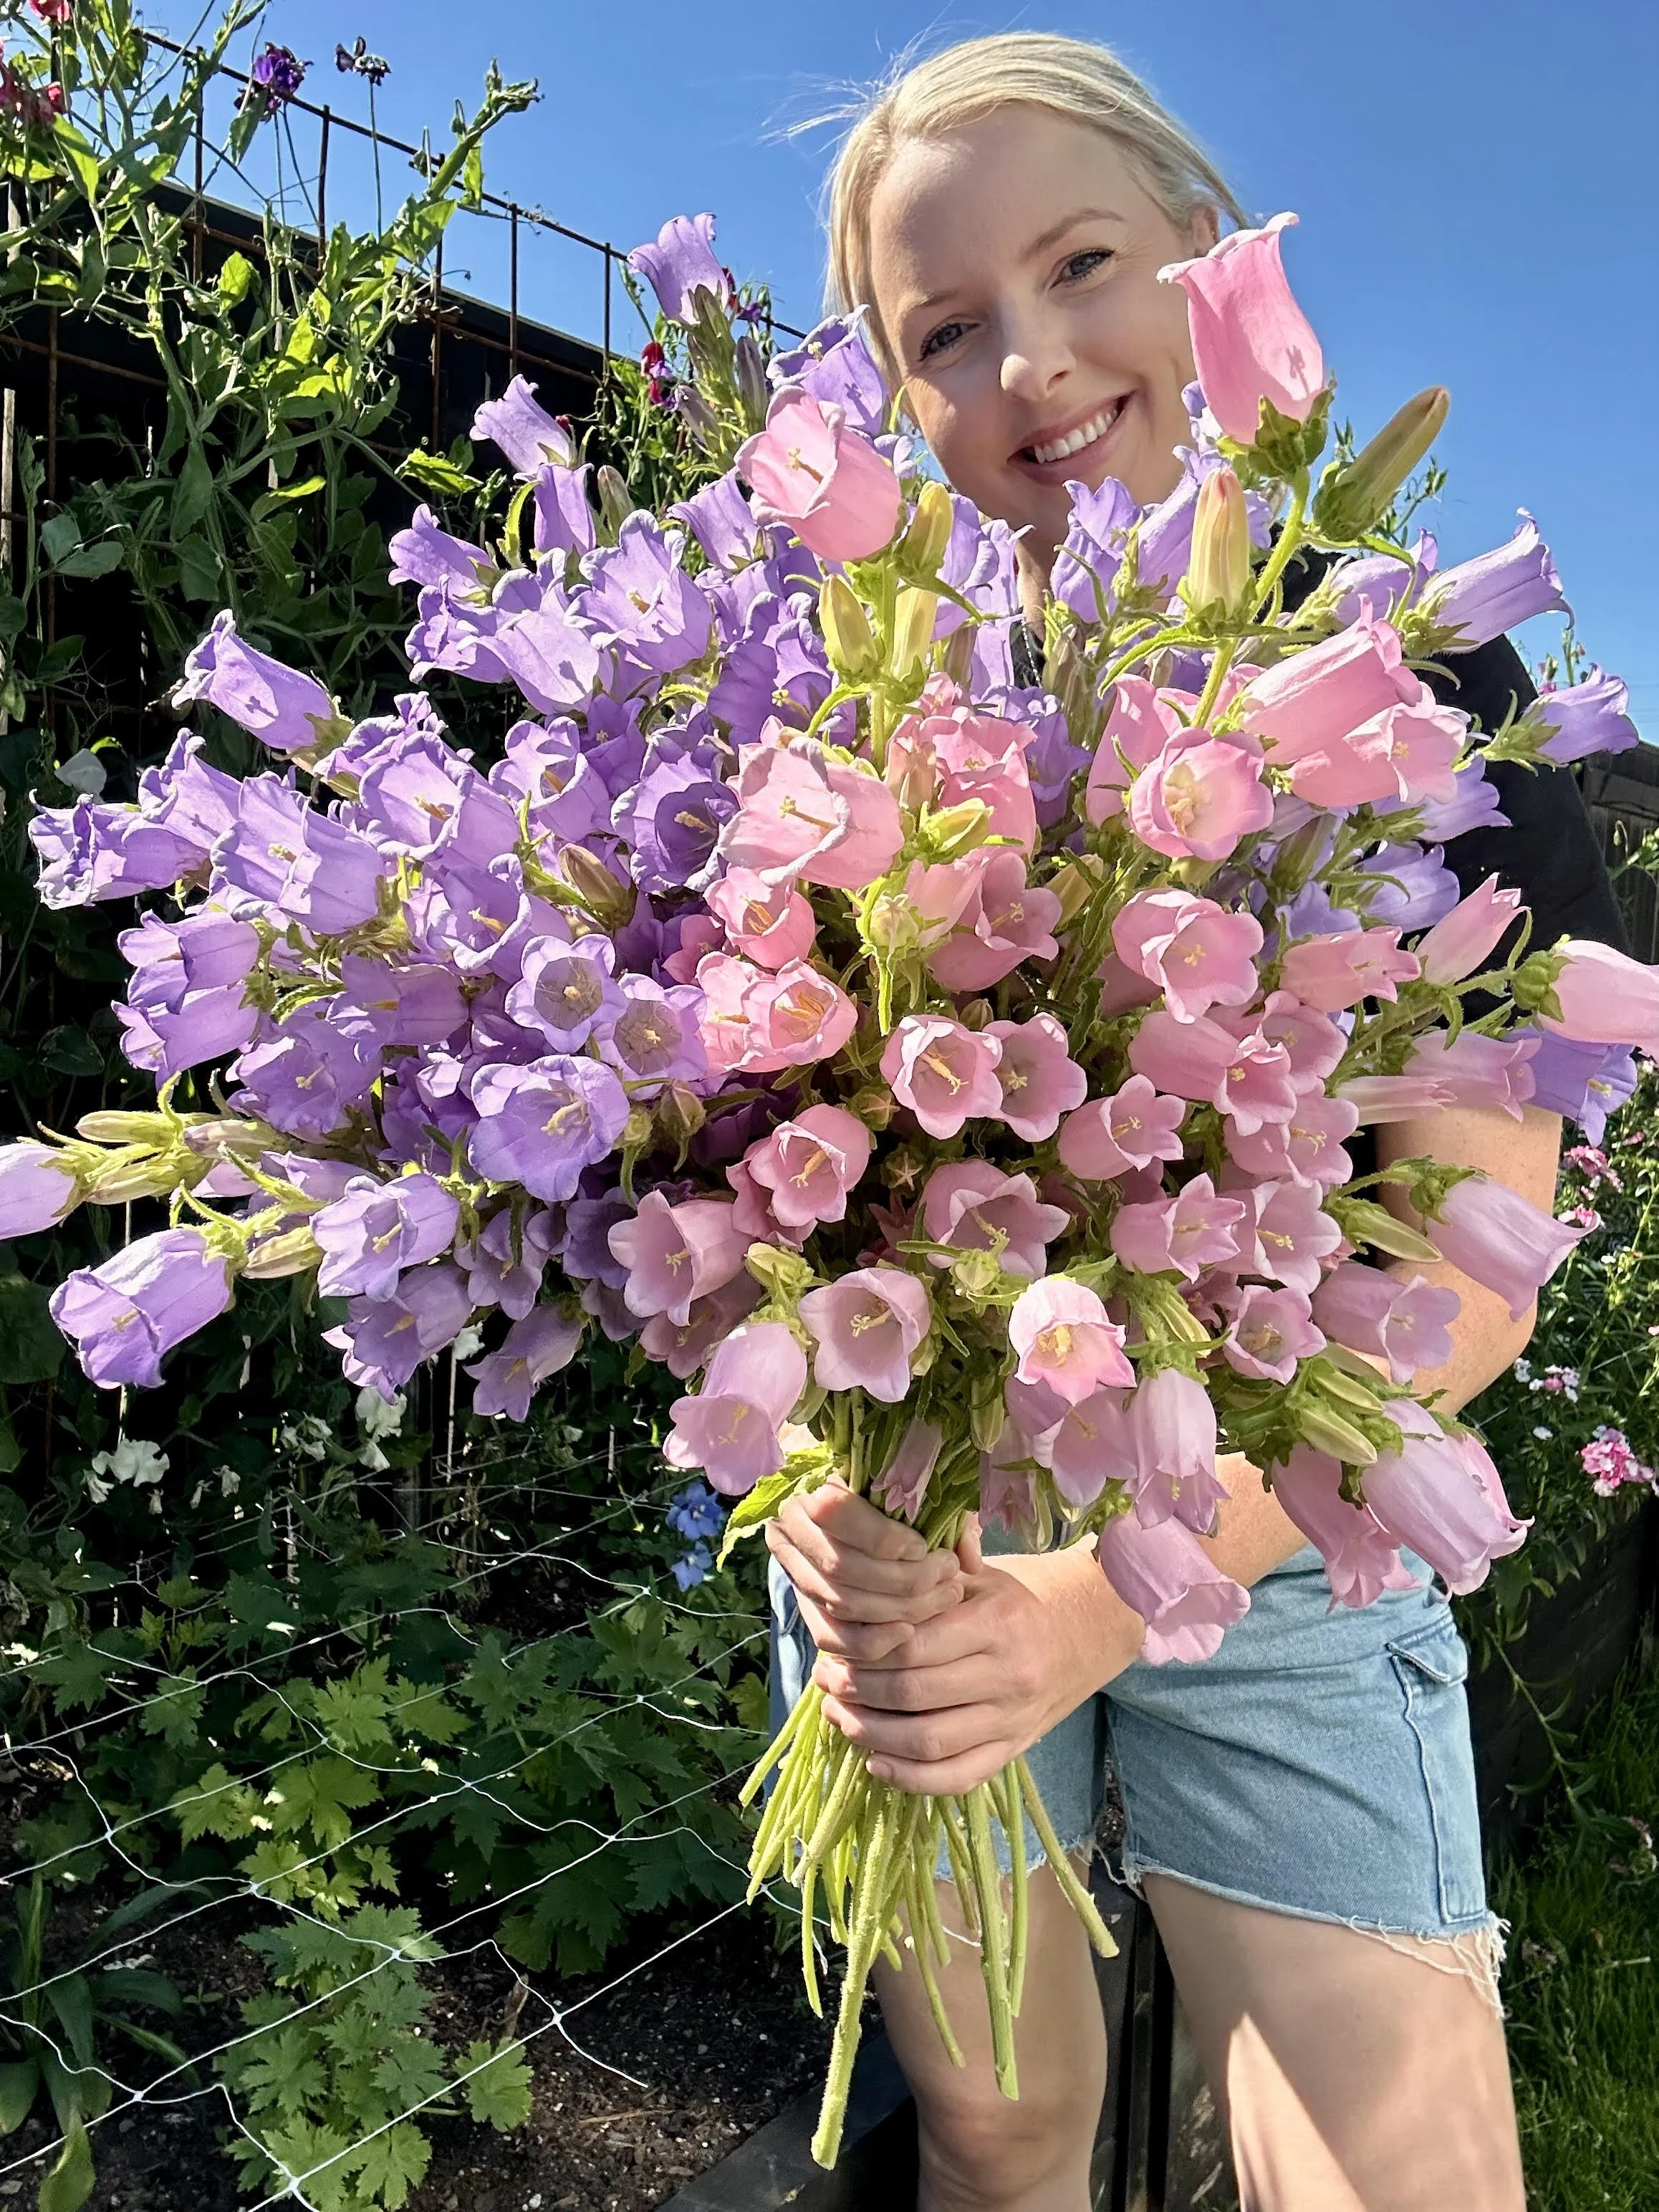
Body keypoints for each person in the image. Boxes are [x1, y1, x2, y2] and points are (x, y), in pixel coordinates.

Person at [764, 32, 1631, 2212]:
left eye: (1082, 265)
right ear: (894, 399)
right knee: (998, 2123)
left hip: (1288, 1520)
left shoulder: (1428, 682)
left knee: (1396, 2168)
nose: (1030, 358)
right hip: (924, 1497)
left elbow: (1460, 1275)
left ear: (1209, 259)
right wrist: (800, 1427)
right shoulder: (863, 696)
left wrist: (1104, 1594)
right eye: (944, 330)